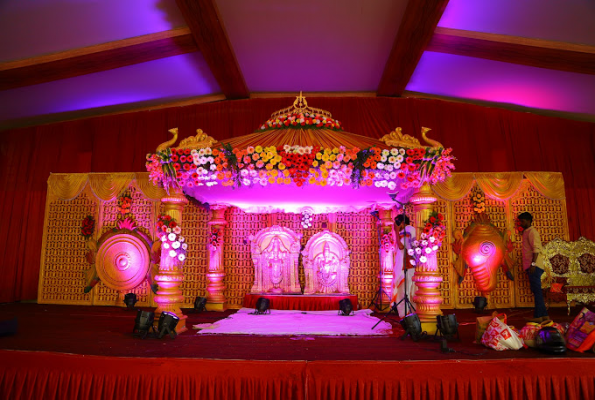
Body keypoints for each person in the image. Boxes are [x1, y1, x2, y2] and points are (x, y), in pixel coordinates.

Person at [519, 212, 549, 322]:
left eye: (522, 221)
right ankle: (543, 316)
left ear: (528, 221)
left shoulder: (532, 232)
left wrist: (533, 264)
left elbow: (536, 249)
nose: (521, 223)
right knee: (536, 291)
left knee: (537, 292)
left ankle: (538, 316)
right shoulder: (527, 232)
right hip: (532, 265)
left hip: (534, 266)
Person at [391, 214, 417, 317]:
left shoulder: (408, 230)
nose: (396, 225)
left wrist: (396, 231)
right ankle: (406, 314)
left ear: (402, 222)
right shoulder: (407, 230)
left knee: (406, 291)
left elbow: (401, 246)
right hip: (405, 265)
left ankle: (408, 314)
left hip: (407, 265)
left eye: (397, 222)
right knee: (405, 291)